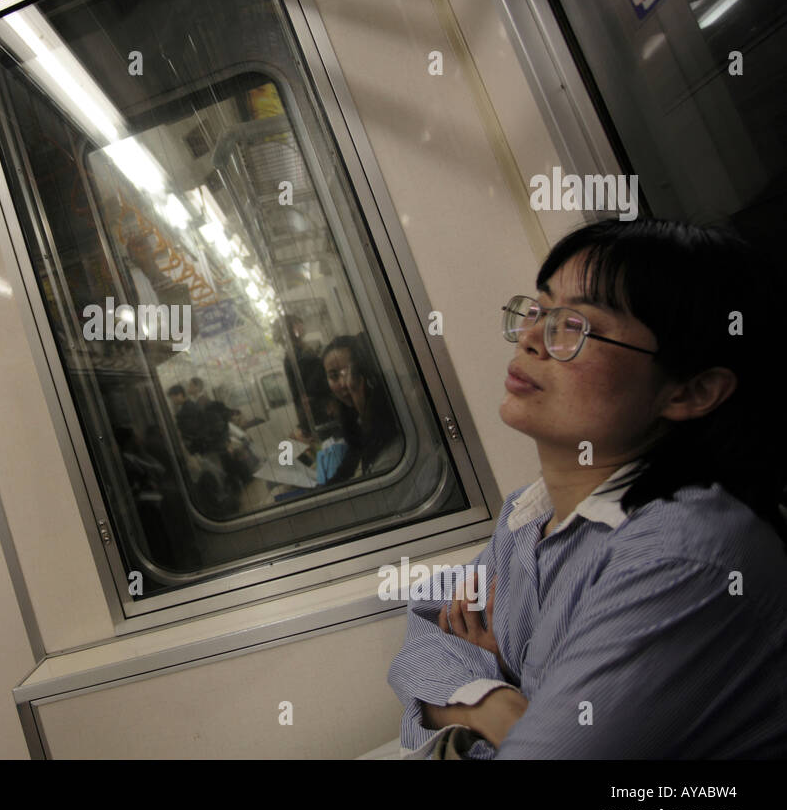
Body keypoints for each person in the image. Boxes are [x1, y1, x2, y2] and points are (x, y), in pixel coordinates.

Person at [387, 218, 787, 758]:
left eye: (575, 325)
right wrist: (494, 703)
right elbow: (425, 628)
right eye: (539, 309)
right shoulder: (529, 517)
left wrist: (470, 705)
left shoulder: (682, 557)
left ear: (691, 391)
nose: (529, 337)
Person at [317, 333, 401, 485]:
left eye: (348, 373)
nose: (344, 383)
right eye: (334, 376)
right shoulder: (351, 415)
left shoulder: (393, 409)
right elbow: (355, 451)